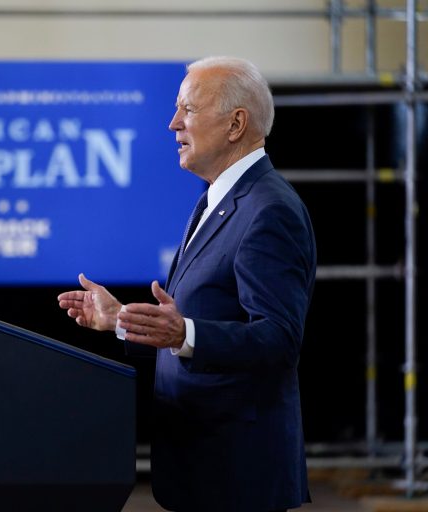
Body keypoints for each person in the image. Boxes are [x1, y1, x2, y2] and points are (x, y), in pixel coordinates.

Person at [57, 56, 316, 512]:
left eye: (188, 110)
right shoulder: (216, 200)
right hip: (200, 466)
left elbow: (279, 339)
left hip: (238, 476)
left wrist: (186, 334)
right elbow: (198, 322)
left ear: (236, 124)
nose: (173, 122)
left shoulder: (269, 210)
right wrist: (123, 321)